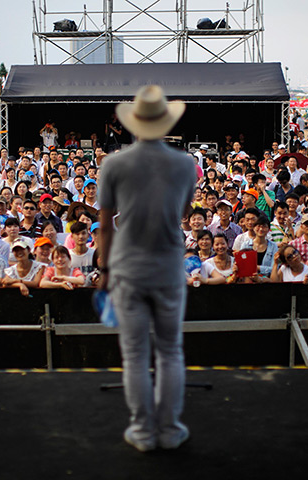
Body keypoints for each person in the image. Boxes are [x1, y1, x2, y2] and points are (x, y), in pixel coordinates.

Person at [97, 85, 195, 452]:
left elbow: (105, 225)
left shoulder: (114, 164)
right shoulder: (185, 164)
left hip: (127, 269)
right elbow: (184, 212)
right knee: (171, 351)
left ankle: (141, 432)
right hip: (169, 267)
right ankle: (169, 430)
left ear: (133, 124)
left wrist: (104, 271)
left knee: (135, 354)